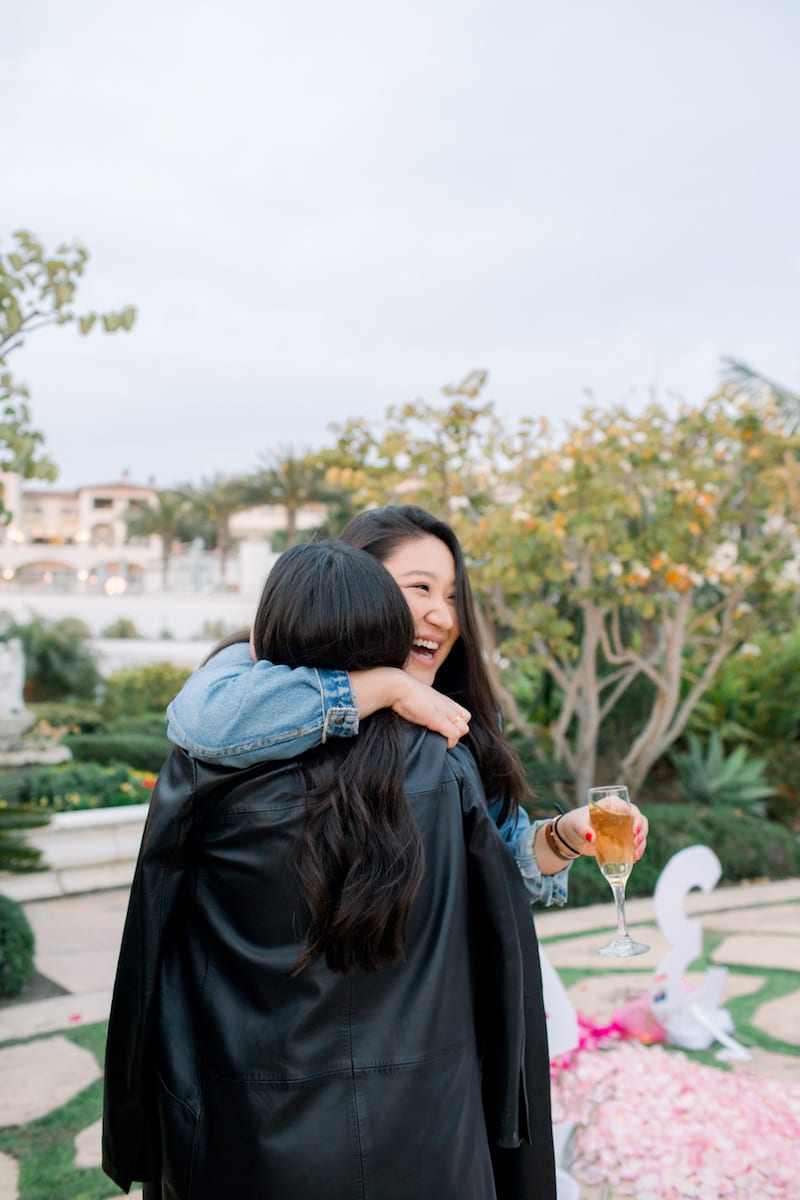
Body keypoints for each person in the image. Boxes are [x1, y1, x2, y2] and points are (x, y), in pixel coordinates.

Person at [102, 541, 557, 1199]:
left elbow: (157, 941)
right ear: (387, 630)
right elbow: (500, 943)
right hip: (429, 1131)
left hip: (248, 1132)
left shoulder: (206, 770)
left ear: (268, 631)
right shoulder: (446, 766)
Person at [167, 505, 648, 902]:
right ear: (359, 583)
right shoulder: (259, 665)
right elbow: (205, 721)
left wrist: (566, 835)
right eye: (420, 588)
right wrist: (385, 687)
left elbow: (500, 860)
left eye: (454, 596)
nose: (442, 615)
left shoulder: (458, 713)